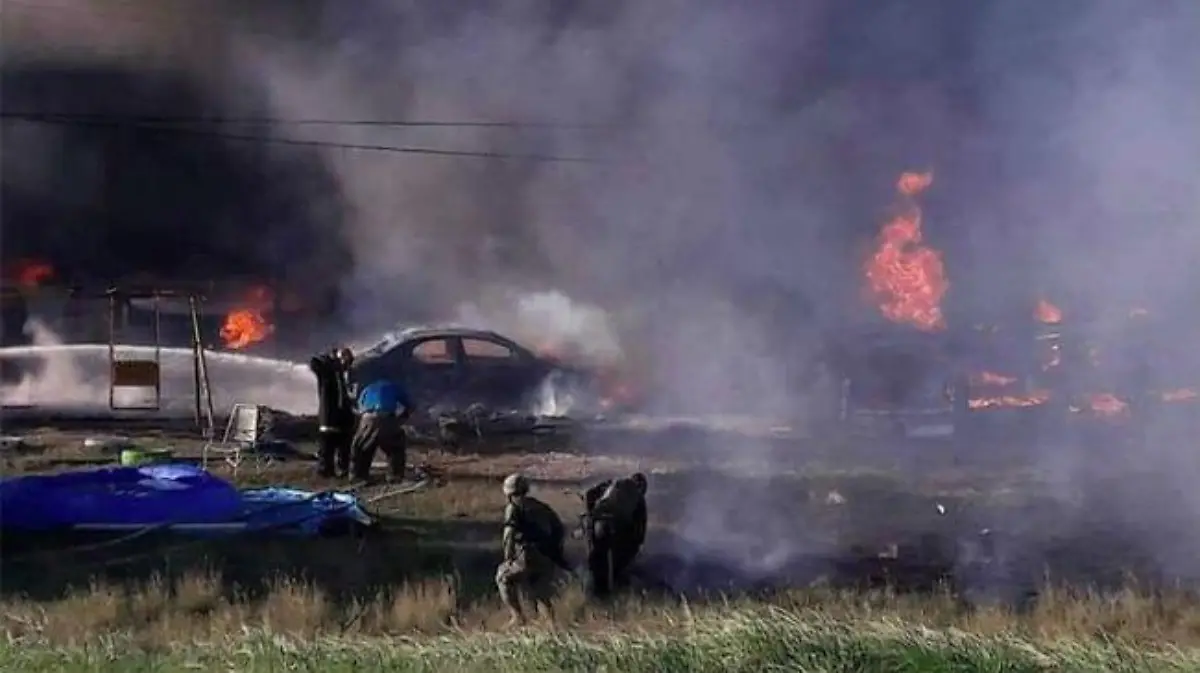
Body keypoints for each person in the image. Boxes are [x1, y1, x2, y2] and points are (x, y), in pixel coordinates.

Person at [495, 473, 570, 626]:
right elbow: (559, 530)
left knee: (502, 578)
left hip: (527, 556)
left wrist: (508, 559)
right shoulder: (542, 507)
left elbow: (508, 535)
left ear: (508, 493)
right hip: (547, 557)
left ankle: (517, 617)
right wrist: (555, 554)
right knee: (541, 592)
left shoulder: (513, 507)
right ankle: (552, 625)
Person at [583, 472, 648, 598]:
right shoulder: (639, 498)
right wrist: (632, 553)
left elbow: (589, 494)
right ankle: (614, 590)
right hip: (616, 528)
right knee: (618, 564)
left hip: (597, 522)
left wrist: (591, 514)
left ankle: (590, 591)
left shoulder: (611, 483)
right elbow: (639, 533)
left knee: (595, 558)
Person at [350, 375, 414, 482]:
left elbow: (360, 407)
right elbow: (409, 405)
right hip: (386, 417)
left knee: (362, 447)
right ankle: (394, 475)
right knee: (396, 447)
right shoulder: (394, 387)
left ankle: (358, 475)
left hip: (367, 418)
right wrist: (402, 418)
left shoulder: (368, 388)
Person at [309, 347, 356, 478]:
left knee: (344, 446)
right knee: (327, 447)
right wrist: (331, 360)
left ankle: (343, 470)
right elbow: (315, 363)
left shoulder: (348, 375)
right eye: (345, 359)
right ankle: (325, 471)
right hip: (329, 416)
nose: (347, 364)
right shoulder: (327, 374)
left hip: (345, 418)